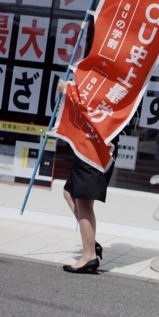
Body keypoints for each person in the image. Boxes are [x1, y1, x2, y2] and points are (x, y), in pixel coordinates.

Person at [58, 78, 115, 274]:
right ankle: (90, 241)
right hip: (87, 146)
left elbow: (96, 107)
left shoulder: (114, 81)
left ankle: (89, 255)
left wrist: (69, 91)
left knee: (84, 201)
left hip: (95, 149)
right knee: (69, 193)